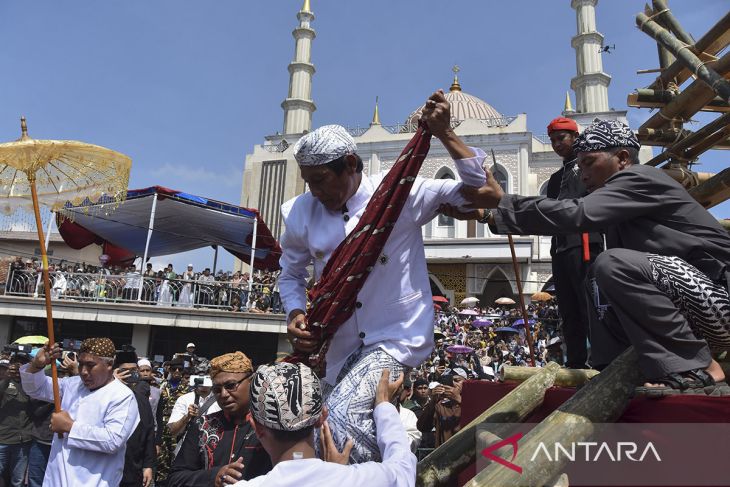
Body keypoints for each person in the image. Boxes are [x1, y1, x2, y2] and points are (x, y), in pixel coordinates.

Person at [280, 90, 487, 462]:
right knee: (319, 428)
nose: (315, 191)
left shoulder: (399, 195)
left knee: (340, 424)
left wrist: (445, 134)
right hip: (336, 343)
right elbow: (290, 274)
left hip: (394, 338)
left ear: (351, 163)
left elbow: (486, 193)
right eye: (308, 181)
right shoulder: (301, 212)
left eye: (322, 179)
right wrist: (295, 313)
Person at [458, 119, 730, 394]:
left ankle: (697, 366)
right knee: (594, 280)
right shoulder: (617, 201)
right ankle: (611, 369)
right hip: (694, 305)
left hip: (720, 294)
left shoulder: (639, 178)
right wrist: (488, 215)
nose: (583, 174)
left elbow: (575, 213)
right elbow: (566, 216)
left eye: (589, 163)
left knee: (612, 264)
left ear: (622, 158)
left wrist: (501, 201)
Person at [227, 363, 415, 487]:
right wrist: (383, 405)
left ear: (255, 426)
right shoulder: (363, 480)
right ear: (322, 416)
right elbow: (403, 467)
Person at [20, 338, 140, 487]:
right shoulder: (72, 384)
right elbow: (36, 389)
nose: (83, 371)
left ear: (109, 364)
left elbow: (112, 441)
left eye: (90, 365)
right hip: (57, 480)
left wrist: (70, 427)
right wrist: (36, 365)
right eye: (81, 364)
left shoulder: (122, 396)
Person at [542, 117, 603, 368]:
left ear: (575, 138)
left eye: (561, 138)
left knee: (588, 305)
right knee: (568, 309)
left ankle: (601, 360)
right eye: (553, 140)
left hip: (585, 243)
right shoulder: (556, 178)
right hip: (560, 247)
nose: (557, 144)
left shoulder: (587, 168)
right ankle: (576, 363)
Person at [168, 351, 271, 487]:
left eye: (230, 386)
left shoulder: (271, 426)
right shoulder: (202, 425)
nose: (223, 394)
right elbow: (175, 478)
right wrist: (212, 477)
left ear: (251, 382)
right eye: (217, 389)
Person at [115, 348, 155, 487]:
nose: (130, 373)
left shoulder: (141, 398)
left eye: (133, 369)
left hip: (133, 468)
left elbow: (149, 431)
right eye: (124, 370)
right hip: (108, 466)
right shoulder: (105, 395)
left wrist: (148, 465)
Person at [0, 347, 32, 487]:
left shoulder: (32, 385)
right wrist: (8, 377)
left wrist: (27, 377)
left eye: (23, 363)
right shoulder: (4, 382)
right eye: (16, 363)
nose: (19, 366)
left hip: (23, 442)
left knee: (17, 480)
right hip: (3, 439)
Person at [156, 357, 190, 486]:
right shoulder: (161, 386)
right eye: (173, 368)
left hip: (179, 428)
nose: (176, 371)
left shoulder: (188, 388)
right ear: (168, 369)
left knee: (177, 461)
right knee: (161, 462)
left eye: (180, 369)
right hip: (162, 427)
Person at [416, 370, 464, 447]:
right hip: (445, 455)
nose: (453, 384)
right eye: (449, 381)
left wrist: (458, 399)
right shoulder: (440, 405)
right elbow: (422, 427)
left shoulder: (471, 401)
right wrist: (433, 400)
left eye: (457, 380)